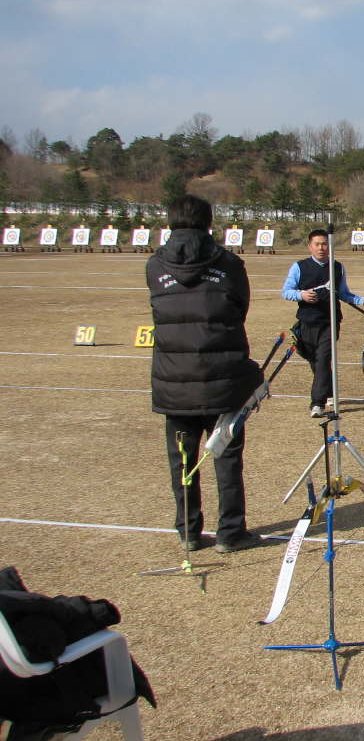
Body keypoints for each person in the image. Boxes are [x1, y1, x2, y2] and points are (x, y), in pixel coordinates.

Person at [147, 194, 264, 554]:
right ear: (208, 222)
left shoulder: (155, 264)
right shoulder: (228, 264)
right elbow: (239, 309)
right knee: (226, 458)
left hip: (175, 382)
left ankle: (188, 531)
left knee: (183, 460)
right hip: (222, 380)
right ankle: (230, 532)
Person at [281, 229, 364, 417]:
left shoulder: (337, 267)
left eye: (325, 244)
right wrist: (301, 295)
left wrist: (363, 300)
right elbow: (286, 291)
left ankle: (317, 403)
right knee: (314, 360)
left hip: (330, 322)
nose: (321, 248)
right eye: (317, 244)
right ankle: (328, 391)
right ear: (310, 246)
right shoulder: (299, 267)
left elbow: (344, 293)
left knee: (323, 358)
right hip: (307, 322)